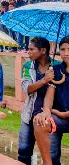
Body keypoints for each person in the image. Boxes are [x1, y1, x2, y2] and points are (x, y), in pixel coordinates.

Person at [18, 37, 57, 165]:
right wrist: (44, 80)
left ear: (43, 50)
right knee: (24, 152)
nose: (28, 52)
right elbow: (26, 89)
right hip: (29, 114)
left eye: (31, 49)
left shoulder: (56, 66)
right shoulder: (28, 66)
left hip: (49, 117)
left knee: (52, 155)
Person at [33, 36, 69, 165]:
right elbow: (50, 94)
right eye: (63, 49)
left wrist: (61, 114)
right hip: (60, 118)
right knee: (40, 121)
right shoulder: (57, 69)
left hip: (63, 114)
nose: (66, 53)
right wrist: (46, 111)